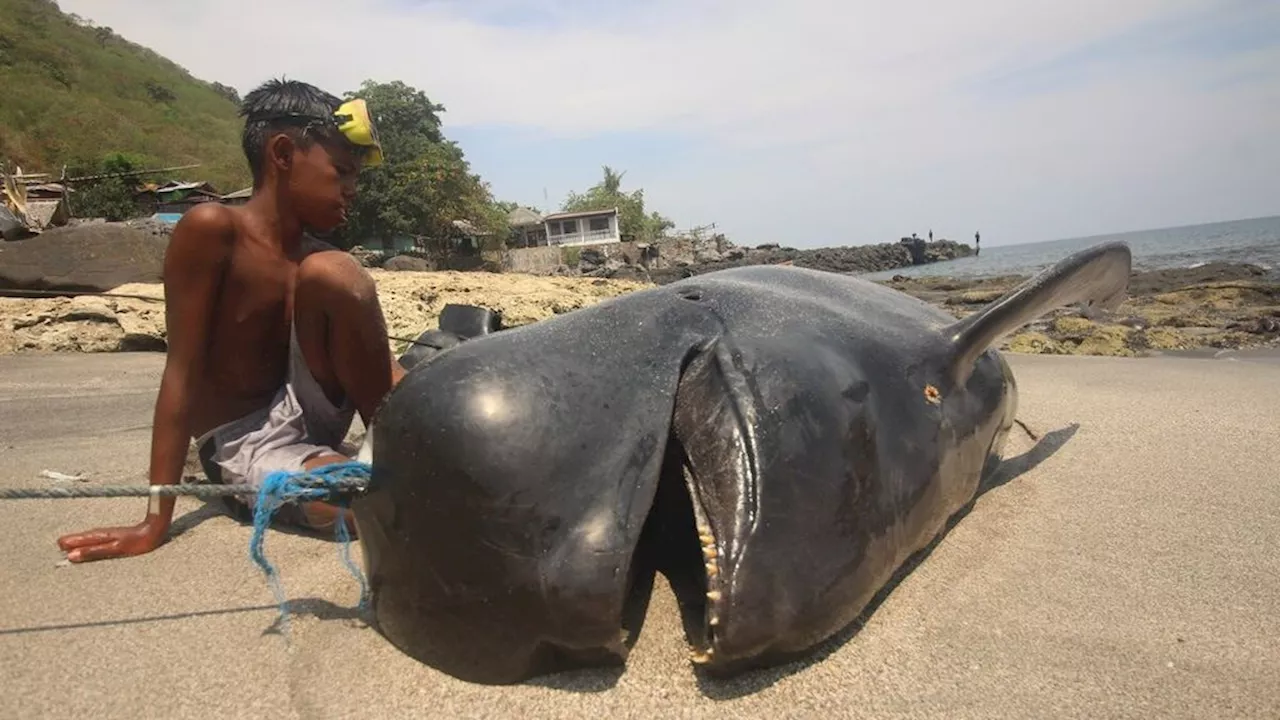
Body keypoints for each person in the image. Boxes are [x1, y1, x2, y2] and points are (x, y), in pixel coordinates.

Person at [56, 78, 405, 563]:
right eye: (341, 172)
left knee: (336, 274)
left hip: (313, 415)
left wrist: (441, 422)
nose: (351, 190)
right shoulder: (213, 230)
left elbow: (381, 370)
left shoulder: (319, 257)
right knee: (386, 510)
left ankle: (402, 453)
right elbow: (181, 371)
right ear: (283, 154)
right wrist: (155, 519)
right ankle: (392, 478)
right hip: (246, 440)